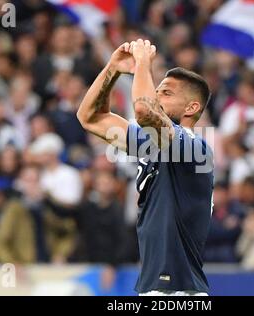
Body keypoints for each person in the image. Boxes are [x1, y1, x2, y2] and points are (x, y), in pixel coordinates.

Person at [76, 39, 213, 296]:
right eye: (157, 90)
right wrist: (113, 69)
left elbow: (144, 111)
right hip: (157, 288)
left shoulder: (195, 148)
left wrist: (142, 63)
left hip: (178, 292)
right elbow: (89, 117)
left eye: (167, 93)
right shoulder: (152, 145)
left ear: (191, 108)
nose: (157, 96)